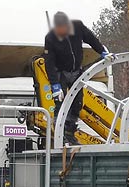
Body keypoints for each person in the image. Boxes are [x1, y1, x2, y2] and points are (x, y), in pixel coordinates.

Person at [44, 12, 112, 144]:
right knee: (61, 103)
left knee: (77, 103)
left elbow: (92, 39)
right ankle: (59, 132)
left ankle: (70, 131)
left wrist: (102, 51)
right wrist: (55, 86)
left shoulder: (78, 26)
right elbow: (49, 63)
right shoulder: (50, 38)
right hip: (60, 73)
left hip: (76, 71)